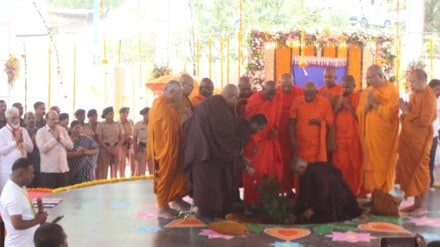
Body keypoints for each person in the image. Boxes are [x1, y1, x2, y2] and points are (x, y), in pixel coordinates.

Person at [184, 84, 244, 220]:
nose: (236, 102)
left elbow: (188, 125)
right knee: (208, 191)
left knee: (205, 190)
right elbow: (224, 137)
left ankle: (204, 217)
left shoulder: (208, 103)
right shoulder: (219, 108)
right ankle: (205, 219)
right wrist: (239, 146)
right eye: (236, 98)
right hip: (206, 156)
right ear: (230, 96)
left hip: (199, 152)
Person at [397, 68, 437, 215]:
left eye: (413, 81)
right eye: (409, 81)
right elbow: (409, 117)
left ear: (422, 80)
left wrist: (407, 112)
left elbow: (425, 120)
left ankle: (423, 206)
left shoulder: (429, 96)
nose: (410, 84)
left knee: (421, 172)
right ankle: (416, 203)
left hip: (421, 140)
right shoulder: (414, 95)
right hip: (410, 139)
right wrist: (405, 111)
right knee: (411, 171)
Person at [147, 80, 189, 218]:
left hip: (172, 147)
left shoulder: (168, 106)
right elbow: (169, 129)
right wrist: (183, 119)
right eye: (180, 94)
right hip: (164, 151)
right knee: (165, 175)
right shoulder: (161, 106)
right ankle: (162, 207)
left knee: (177, 174)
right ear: (171, 92)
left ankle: (176, 199)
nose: (181, 97)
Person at [357, 64, 399, 193]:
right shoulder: (368, 91)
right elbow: (359, 110)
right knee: (371, 165)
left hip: (384, 137)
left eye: (371, 77)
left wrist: (375, 104)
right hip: (370, 135)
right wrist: (366, 107)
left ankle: (383, 194)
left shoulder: (392, 91)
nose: (369, 81)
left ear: (381, 76)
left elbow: (391, 113)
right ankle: (374, 194)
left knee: (382, 166)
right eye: (367, 78)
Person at [242, 80, 283, 208]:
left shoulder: (276, 98)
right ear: (262, 89)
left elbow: (276, 115)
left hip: (269, 143)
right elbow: (249, 124)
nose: (271, 97)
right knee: (253, 173)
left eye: (273, 94)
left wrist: (274, 127)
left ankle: (265, 200)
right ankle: (250, 203)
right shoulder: (253, 101)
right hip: (254, 143)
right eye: (269, 94)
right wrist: (255, 141)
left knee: (269, 172)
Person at [290, 157, 362, 224]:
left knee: (312, 219)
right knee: (302, 216)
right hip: (322, 203)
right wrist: (295, 212)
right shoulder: (304, 174)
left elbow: (323, 193)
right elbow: (302, 196)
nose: (296, 175)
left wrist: (313, 210)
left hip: (334, 202)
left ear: (301, 167)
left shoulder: (317, 172)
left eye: (296, 172)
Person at [0, 158, 48, 247]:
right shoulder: (12, 195)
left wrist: (38, 215)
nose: (33, 175)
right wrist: (37, 219)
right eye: (30, 173)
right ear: (20, 175)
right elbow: (17, 224)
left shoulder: (19, 186)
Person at [331, 75, 363, 196]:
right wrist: (337, 109)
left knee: (352, 166)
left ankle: (352, 192)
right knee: (337, 166)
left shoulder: (359, 97)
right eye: (343, 86)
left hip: (353, 138)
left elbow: (361, 118)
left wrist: (349, 105)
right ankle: (339, 191)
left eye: (347, 87)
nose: (344, 89)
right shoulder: (338, 98)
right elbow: (332, 118)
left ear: (354, 86)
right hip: (339, 138)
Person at [289, 82, 334, 163]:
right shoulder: (297, 102)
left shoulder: (325, 102)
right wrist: (292, 140)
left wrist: (319, 122)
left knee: (316, 169)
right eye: (306, 95)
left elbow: (330, 123)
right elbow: (291, 122)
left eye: (311, 95)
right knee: (301, 169)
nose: (308, 98)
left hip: (317, 146)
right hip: (301, 144)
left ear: (316, 92)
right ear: (303, 92)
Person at [277, 73, 303, 193]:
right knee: (280, 161)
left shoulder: (299, 92)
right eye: (284, 86)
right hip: (279, 135)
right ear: (279, 84)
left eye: (289, 86)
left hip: (295, 133)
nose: (287, 89)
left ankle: (294, 189)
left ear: (293, 83)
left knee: (294, 161)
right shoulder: (275, 93)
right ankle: (281, 189)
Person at [36, 110, 73, 188]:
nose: (56, 121)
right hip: (49, 171)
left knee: (63, 196)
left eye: (57, 119)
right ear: (46, 120)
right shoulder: (41, 132)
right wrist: (54, 139)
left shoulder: (62, 130)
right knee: (50, 198)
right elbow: (42, 149)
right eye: (53, 119)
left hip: (62, 169)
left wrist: (60, 139)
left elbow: (70, 146)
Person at [0, 108, 34, 192]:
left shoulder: (23, 130)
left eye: (17, 117)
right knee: (8, 194)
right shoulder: (2, 132)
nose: (16, 120)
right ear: (7, 119)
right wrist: (16, 142)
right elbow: (2, 151)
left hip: (23, 170)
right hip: (7, 171)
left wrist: (22, 142)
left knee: (22, 194)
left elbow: (31, 149)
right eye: (13, 118)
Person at [66, 120, 99, 185]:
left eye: (79, 128)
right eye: (76, 128)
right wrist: (76, 154)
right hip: (71, 171)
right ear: (71, 129)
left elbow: (95, 150)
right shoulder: (66, 140)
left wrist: (86, 152)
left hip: (86, 171)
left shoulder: (86, 139)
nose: (78, 130)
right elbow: (64, 154)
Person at [96, 107, 123, 179]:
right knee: (104, 170)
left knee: (115, 170)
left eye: (113, 114)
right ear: (105, 115)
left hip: (116, 148)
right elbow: (99, 138)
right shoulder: (101, 125)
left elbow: (122, 137)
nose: (112, 115)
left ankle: (114, 186)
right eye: (110, 114)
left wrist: (117, 147)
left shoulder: (118, 124)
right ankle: (104, 187)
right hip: (105, 148)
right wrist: (107, 148)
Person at [23, 112, 41, 188]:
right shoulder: (22, 131)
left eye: (33, 118)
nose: (31, 120)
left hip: (39, 163)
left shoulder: (40, 131)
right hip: (27, 163)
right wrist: (31, 142)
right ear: (24, 121)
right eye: (29, 118)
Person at [428, 79, 440, 186]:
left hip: (434, 135)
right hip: (423, 135)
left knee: (431, 160)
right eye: (437, 89)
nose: (438, 92)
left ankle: (429, 182)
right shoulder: (425, 99)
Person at [133, 107, 151, 176]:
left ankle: (151, 186)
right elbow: (134, 140)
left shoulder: (153, 124)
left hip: (151, 149)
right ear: (144, 114)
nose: (150, 115)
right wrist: (135, 153)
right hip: (141, 149)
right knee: (141, 172)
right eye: (148, 113)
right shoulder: (137, 125)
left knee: (152, 172)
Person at [118, 107, 134, 177]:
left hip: (130, 146)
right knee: (122, 164)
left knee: (133, 164)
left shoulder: (131, 122)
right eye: (124, 112)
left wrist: (131, 138)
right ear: (120, 113)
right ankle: (122, 180)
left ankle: (133, 179)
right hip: (121, 146)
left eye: (127, 113)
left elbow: (134, 133)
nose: (125, 114)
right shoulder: (116, 123)